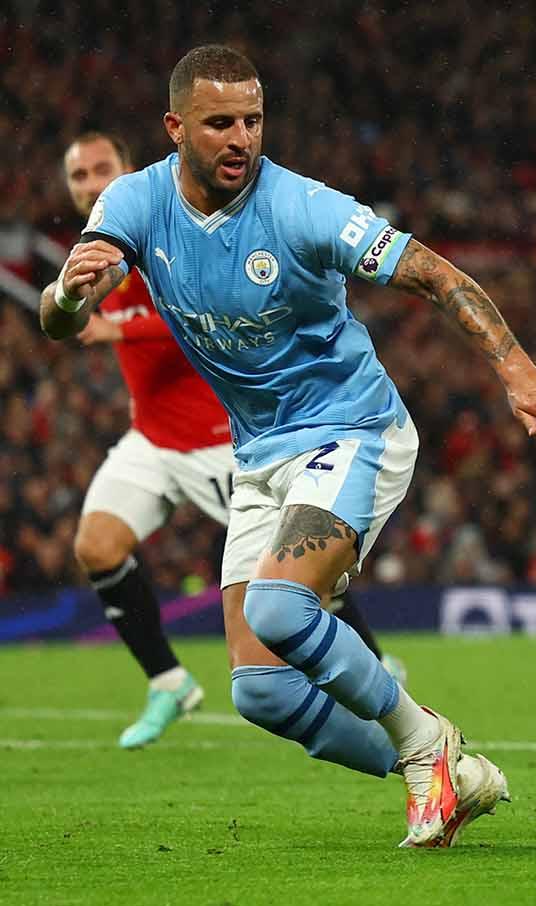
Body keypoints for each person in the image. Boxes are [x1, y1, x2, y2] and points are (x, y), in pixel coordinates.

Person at [40, 45, 536, 847]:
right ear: (175, 128)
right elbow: (62, 322)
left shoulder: (303, 208)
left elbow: (435, 274)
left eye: (254, 121)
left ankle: (425, 742)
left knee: (280, 605)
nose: (241, 138)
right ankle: (450, 773)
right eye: (220, 122)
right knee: (260, 691)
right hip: (259, 452)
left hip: (352, 429)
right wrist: (66, 292)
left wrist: (515, 367)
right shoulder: (133, 202)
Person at [57, 132, 400, 750]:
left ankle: (376, 666)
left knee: (295, 575)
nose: (89, 183)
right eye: (78, 175)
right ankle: (168, 682)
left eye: (100, 170)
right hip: (153, 439)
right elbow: (71, 311)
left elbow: (206, 303)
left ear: (126, 170)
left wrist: (123, 329)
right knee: (97, 545)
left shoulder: (159, 227)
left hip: (221, 439)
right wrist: (67, 304)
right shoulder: (102, 248)